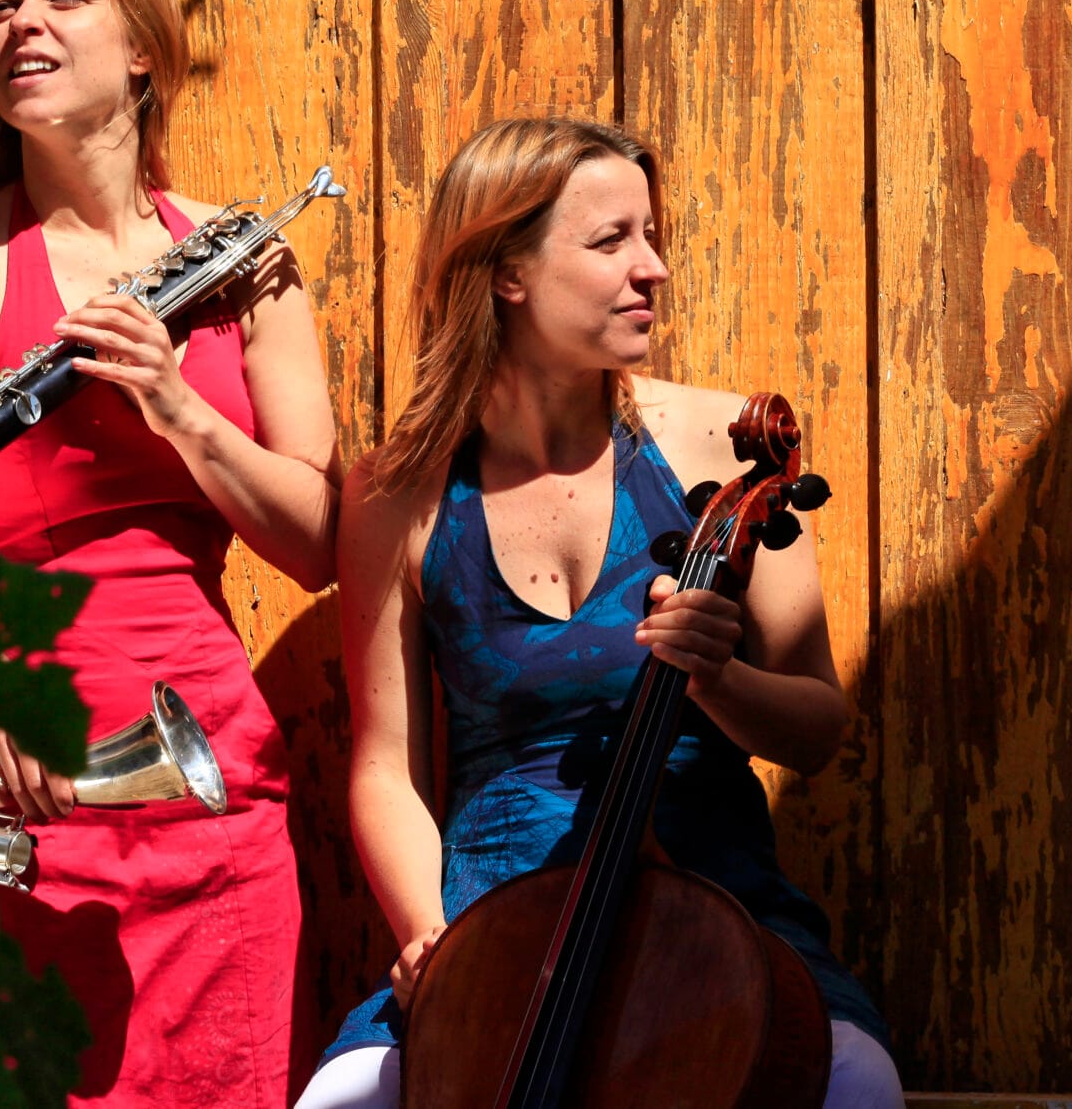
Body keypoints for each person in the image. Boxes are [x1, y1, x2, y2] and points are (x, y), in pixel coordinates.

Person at [294, 118, 903, 1109]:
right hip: (489, 912)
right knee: (345, 1099)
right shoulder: (397, 493)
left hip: (712, 904)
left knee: (854, 1081)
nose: (652, 268)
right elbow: (383, 764)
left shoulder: (722, 448)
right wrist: (428, 937)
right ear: (507, 274)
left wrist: (717, 678)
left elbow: (819, 725)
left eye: (652, 235)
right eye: (611, 240)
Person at [0, 0, 339, 1109]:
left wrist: (173, 401)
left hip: (202, 760)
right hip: (9, 766)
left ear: (141, 49)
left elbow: (322, 538)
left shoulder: (241, 263)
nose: (22, 24)